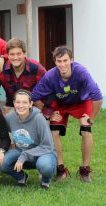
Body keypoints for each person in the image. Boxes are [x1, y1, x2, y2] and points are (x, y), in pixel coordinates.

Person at [32, 46, 103, 183]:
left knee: (86, 131)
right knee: (54, 131)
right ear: (55, 62)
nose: (62, 64)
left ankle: (85, 169)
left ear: (72, 60)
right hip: (60, 105)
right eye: (59, 61)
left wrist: (91, 119)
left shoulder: (81, 72)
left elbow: (98, 97)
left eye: (65, 60)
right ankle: (60, 169)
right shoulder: (50, 76)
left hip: (81, 102)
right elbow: (35, 96)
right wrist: (48, 114)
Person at [0, 90, 56, 189]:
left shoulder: (39, 118)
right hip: (21, 151)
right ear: (14, 103)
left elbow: (47, 145)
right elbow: (0, 131)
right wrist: (1, 150)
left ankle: (46, 180)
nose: (21, 105)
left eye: (25, 102)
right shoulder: (10, 117)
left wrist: (24, 156)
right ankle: (21, 176)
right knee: (0, 163)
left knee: (45, 166)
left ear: (31, 104)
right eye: (18, 102)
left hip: (42, 153)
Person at [0, 38, 46, 114]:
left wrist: (46, 113)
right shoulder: (1, 69)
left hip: (32, 109)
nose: (15, 57)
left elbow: (48, 91)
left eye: (18, 54)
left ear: (24, 53)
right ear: (7, 55)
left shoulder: (37, 68)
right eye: (12, 54)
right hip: (11, 109)